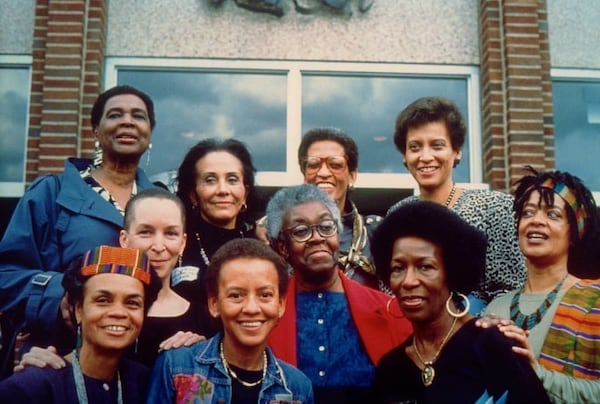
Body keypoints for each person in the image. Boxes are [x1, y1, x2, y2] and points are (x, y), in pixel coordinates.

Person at [0, 85, 157, 372]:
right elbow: (6, 274)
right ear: (95, 129)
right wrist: (60, 294)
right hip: (60, 359)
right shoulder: (51, 193)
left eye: (138, 115)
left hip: (144, 363)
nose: (127, 121)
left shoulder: (162, 200)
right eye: (115, 115)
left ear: (150, 131)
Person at [370, 201, 550, 403]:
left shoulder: (491, 346)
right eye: (398, 268)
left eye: (425, 267)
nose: (409, 281)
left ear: (452, 273)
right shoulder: (391, 369)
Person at [265, 184, 412, 403]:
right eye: (301, 231)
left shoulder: (391, 311)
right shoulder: (264, 314)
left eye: (326, 226)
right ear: (282, 247)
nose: (317, 238)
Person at [388, 96, 526, 312]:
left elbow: (513, 290)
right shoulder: (397, 215)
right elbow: (389, 289)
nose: (425, 156)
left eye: (437, 145)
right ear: (405, 156)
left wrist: (468, 327)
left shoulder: (494, 208)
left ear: (457, 151)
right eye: (415, 147)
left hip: (478, 337)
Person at [147, 238, 314, 403]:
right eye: (236, 295)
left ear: (280, 305)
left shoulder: (295, 388)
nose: (251, 308)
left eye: (265, 295)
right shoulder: (180, 367)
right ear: (214, 304)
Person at [484, 167, 600, 402]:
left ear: (574, 233)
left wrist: (536, 373)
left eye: (553, 214)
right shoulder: (495, 309)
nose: (536, 221)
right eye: (528, 213)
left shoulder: (595, 301)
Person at [0, 245, 162, 403]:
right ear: (78, 310)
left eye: (132, 303)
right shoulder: (31, 388)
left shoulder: (147, 383)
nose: (118, 312)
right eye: (103, 300)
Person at [171, 138, 257, 308]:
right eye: (210, 180)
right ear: (193, 195)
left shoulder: (260, 247)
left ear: (245, 193)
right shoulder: (175, 246)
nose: (223, 190)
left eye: (232, 179)